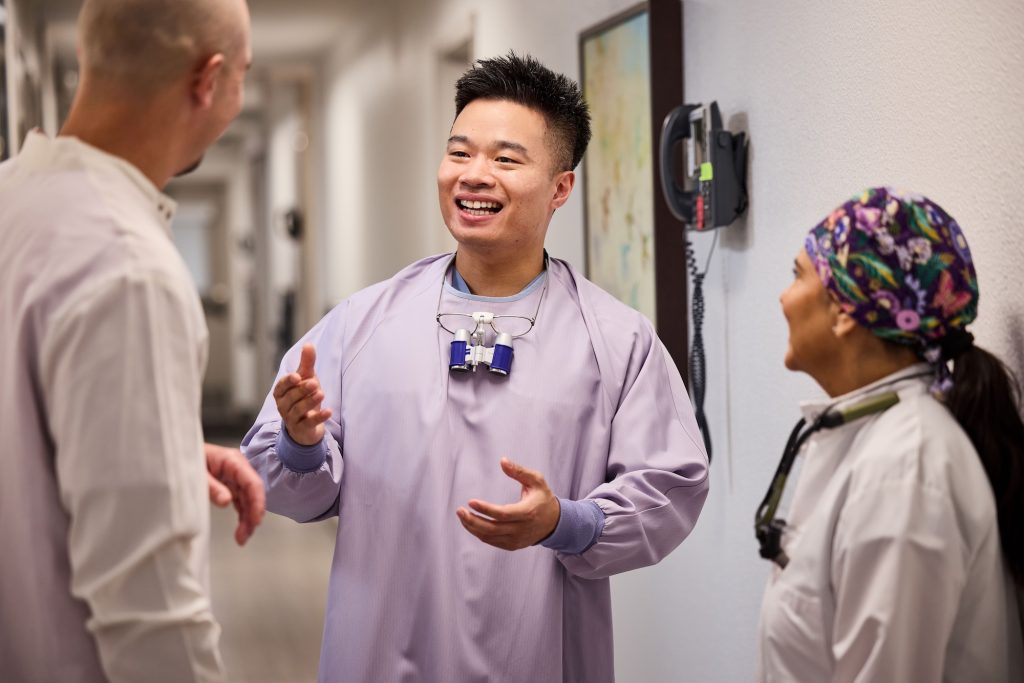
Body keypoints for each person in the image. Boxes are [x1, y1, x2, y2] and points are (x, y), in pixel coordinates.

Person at [242, 53, 709, 682]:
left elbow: (671, 488)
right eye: (459, 153)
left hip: (537, 655)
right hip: (380, 652)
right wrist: (301, 445)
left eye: (506, 160)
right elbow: (286, 485)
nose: (474, 176)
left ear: (561, 188)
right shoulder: (362, 324)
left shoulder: (615, 340)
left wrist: (565, 522)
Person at [0, 1, 264, 681]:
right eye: (242, 75)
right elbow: (152, 617)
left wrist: (161, 448)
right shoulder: (128, 268)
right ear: (207, 80)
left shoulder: (12, 199)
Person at [757, 187, 1024, 682]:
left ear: (844, 311)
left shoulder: (905, 468)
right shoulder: (876, 439)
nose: (783, 297)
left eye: (798, 274)